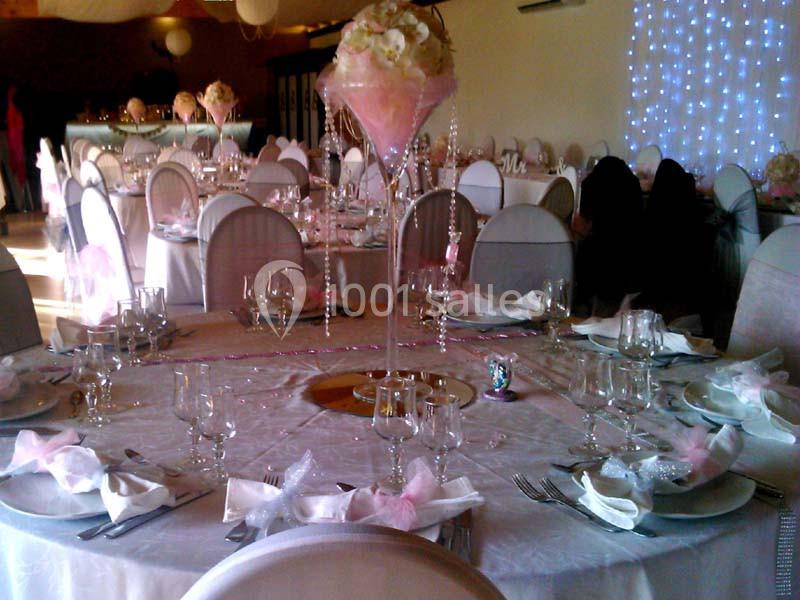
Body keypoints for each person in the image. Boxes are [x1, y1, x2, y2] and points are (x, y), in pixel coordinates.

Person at [573, 156, 644, 316]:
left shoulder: (592, 187)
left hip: (598, 267)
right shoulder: (631, 188)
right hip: (628, 266)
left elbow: (583, 226)